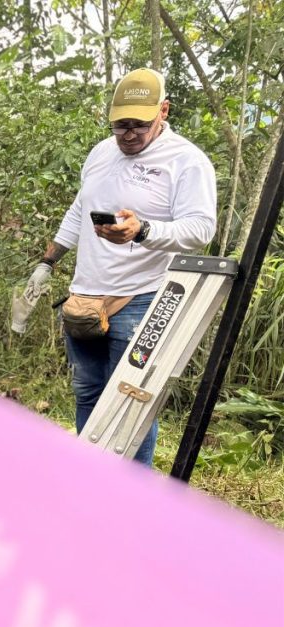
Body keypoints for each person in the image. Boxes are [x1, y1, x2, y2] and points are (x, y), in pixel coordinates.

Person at [16, 68, 217, 466]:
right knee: (87, 392)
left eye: (138, 125)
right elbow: (79, 210)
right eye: (120, 124)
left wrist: (143, 231)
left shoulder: (186, 161)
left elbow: (201, 228)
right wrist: (46, 263)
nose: (127, 134)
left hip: (141, 299)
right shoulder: (100, 153)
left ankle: (132, 499)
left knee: (130, 403)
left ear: (164, 111)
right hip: (85, 298)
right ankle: (94, 484)